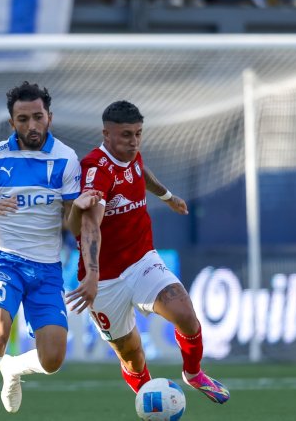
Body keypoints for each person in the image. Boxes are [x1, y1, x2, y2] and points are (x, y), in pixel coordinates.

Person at [66, 100, 230, 405]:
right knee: (131, 355)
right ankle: (151, 399)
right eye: (126, 135)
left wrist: (167, 196)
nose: (134, 141)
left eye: (138, 133)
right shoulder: (96, 170)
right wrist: (91, 275)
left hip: (142, 260)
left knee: (185, 314)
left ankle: (193, 373)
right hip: (105, 281)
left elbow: (141, 170)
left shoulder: (133, 155)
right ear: (106, 134)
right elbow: (90, 226)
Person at [0, 82, 99, 421]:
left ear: (49, 117)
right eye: (23, 119)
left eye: (38, 117)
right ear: (12, 122)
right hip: (4, 260)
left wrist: (79, 208)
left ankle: (13, 369)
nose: (32, 126)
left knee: (52, 359)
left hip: (47, 267)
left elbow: (71, 226)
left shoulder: (65, 158)